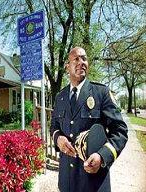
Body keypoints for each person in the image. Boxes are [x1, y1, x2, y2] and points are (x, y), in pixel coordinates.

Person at [50, 46, 128, 192]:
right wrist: (58, 138)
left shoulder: (101, 93)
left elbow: (120, 131)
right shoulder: (60, 97)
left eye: (84, 58)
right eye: (76, 59)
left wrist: (102, 156)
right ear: (68, 66)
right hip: (67, 181)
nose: (81, 62)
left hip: (93, 182)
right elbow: (54, 126)